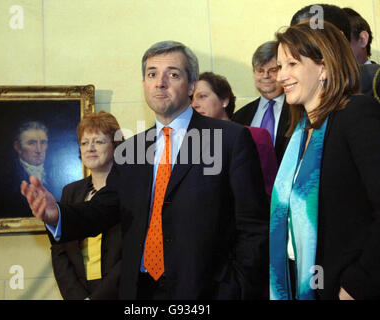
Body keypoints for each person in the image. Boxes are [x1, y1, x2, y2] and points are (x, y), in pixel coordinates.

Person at [21, 40, 269, 300]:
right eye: (152, 74)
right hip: (139, 292)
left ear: (192, 85)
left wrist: (235, 291)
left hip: (206, 292)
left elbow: (253, 228)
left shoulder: (229, 139)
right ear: (144, 84)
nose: (160, 82)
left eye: (172, 74)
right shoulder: (132, 149)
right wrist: (56, 214)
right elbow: (103, 209)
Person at [270, 21, 380, 300]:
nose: (281, 75)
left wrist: (358, 283)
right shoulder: (296, 133)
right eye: (280, 66)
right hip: (298, 282)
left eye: (292, 64)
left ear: (324, 67)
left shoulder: (357, 114)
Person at [50, 111, 123, 300]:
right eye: (84, 143)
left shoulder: (130, 191)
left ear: (116, 146)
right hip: (79, 292)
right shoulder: (70, 192)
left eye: (98, 142)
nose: (90, 148)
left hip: (119, 292)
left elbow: (134, 252)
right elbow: (59, 251)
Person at [192, 71, 277, 199]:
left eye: (202, 96)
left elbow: (270, 191)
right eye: (191, 99)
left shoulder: (256, 136)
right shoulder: (190, 143)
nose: (194, 104)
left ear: (224, 100)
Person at [290, 3, 379, 99]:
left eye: (309, 40)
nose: (302, 48)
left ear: (338, 39)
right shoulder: (295, 93)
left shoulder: (374, 80)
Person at [232, 41, 289, 164]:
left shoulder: (299, 112)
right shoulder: (239, 117)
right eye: (260, 70)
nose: (266, 76)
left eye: (272, 70)